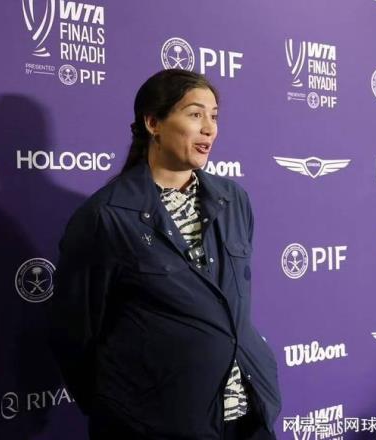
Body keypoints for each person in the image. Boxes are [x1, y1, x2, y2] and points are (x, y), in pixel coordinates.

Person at [50, 69, 281, 439]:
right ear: (153, 123)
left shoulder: (234, 200)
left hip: (247, 415)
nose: (209, 128)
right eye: (195, 114)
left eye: (214, 116)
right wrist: (124, 408)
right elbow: (75, 334)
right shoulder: (105, 216)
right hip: (157, 425)